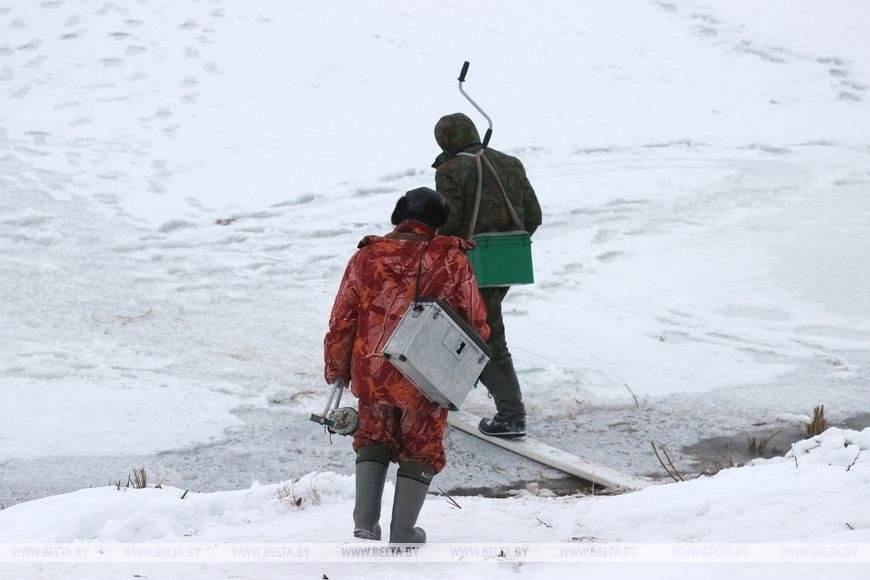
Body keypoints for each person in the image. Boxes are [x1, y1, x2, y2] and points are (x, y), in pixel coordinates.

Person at [324, 187, 489, 544]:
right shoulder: (450, 260)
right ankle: (403, 531)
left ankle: (365, 522)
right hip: (425, 374)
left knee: (372, 437)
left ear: (398, 215)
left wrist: (337, 368)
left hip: (373, 372)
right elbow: (475, 321)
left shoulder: (366, 258)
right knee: (422, 446)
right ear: (438, 222)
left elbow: (343, 319)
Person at [432, 112, 542, 438]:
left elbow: (448, 223)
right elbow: (533, 214)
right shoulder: (510, 163)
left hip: (472, 265)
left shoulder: (450, 170)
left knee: (484, 332)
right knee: (464, 325)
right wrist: (506, 243)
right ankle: (444, 393)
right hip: (509, 260)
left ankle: (511, 415)